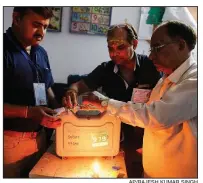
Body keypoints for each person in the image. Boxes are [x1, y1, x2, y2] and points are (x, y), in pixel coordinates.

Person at [80, 20, 197, 178]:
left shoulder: (195, 80)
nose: (151, 55)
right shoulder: (166, 78)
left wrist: (104, 102)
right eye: (151, 49)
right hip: (150, 166)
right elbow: (159, 123)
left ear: (181, 46)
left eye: (157, 48)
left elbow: (155, 116)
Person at [62, 23, 161, 177]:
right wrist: (71, 91)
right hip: (114, 137)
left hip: (144, 138)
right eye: (110, 48)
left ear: (134, 44)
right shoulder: (105, 70)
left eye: (120, 47)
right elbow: (79, 85)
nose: (114, 53)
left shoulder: (151, 67)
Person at [3, 7, 61, 178]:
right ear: (16, 18)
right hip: (9, 142)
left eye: (45, 27)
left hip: (40, 137)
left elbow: (47, 86)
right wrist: (28, 112)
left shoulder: (40, 52)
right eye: (36, 25)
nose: (41, 32)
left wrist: (59, 109)